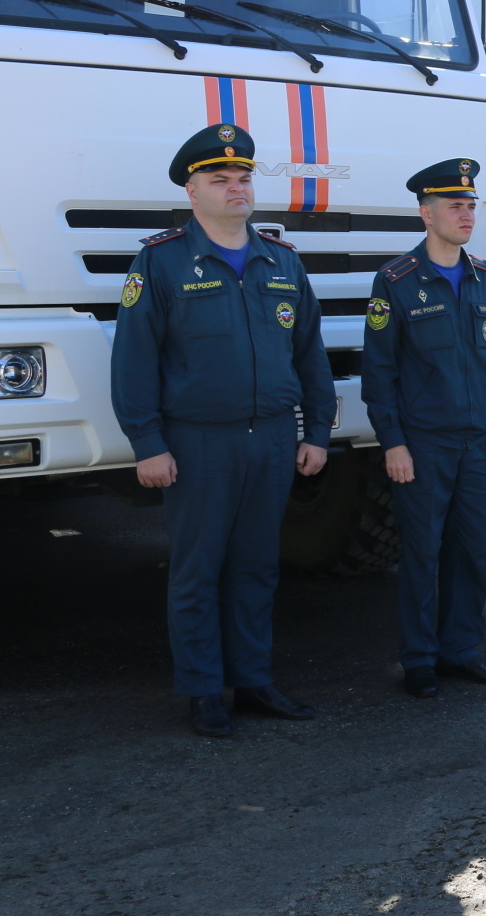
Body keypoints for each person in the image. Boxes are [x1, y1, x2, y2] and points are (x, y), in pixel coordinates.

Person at [110, 125, 333, 738]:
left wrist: (316, 431)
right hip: (197, 441)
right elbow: (134, 361)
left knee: (258, 566)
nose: (236, 188)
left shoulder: (280, 260)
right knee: (198, 568)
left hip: (272, 439)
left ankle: (253, 680)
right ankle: (205, 689)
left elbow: (310, 355)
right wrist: (147, 443)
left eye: (243, 178)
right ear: (192, 190)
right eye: (219, 179)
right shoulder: (160, 261)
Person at [361, 159, 486, 698]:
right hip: (423, 444)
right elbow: (379, 373)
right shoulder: (397, 281)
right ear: (426, 214)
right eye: (456, 205)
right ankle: (420, 659)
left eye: (471, 205)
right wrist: (394, 443)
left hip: (477, 441)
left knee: (470, 551)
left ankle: (461, 651)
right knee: (422, 554)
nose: (467, 214)